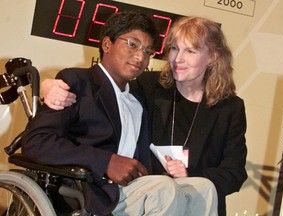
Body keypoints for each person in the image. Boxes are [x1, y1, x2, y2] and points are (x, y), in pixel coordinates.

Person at [42, 16, 248, 216]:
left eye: (190, 51)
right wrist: (49, 86)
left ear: (212, 57)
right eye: (175, 48)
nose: (178, 59)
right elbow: (101, 87)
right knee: (165, 189)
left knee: (205, 188)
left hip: (192, 194)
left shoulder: (230, 108)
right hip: (147, 193)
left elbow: (234, 173)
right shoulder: (148, 85)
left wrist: (189, 173)